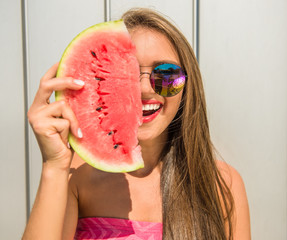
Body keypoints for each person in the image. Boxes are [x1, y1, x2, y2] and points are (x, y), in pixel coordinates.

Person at [22, 8, 251, 240]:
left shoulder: (223, 185)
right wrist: (54, 165)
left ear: (187, 87)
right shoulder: (76, 177)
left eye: (165, 73)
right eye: (127, 74)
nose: (144, 89)